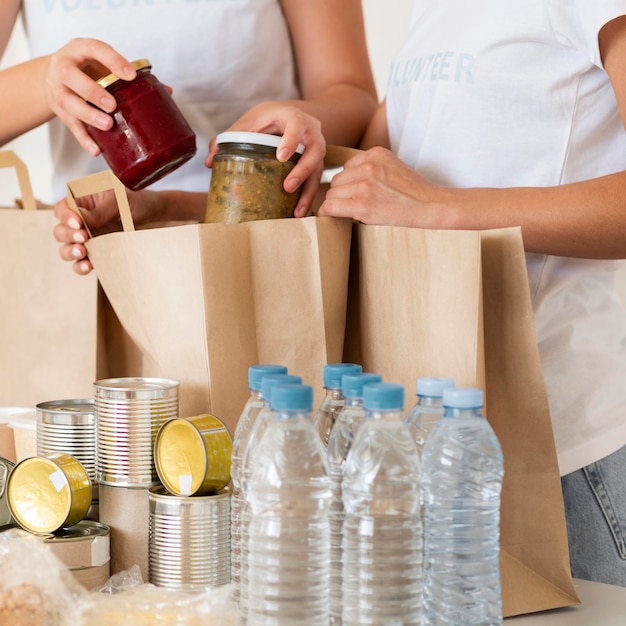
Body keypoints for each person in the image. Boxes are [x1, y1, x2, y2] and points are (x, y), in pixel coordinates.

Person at [316, 4, 626, 586]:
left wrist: (446, 210)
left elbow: (421, 201)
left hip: (563, 454)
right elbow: (374, 184)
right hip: (434, 442)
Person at [0, 0, 377, 271]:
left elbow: (355, 99)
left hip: (260, 246)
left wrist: (302, 122)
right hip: (94, 247)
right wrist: (44, 81)